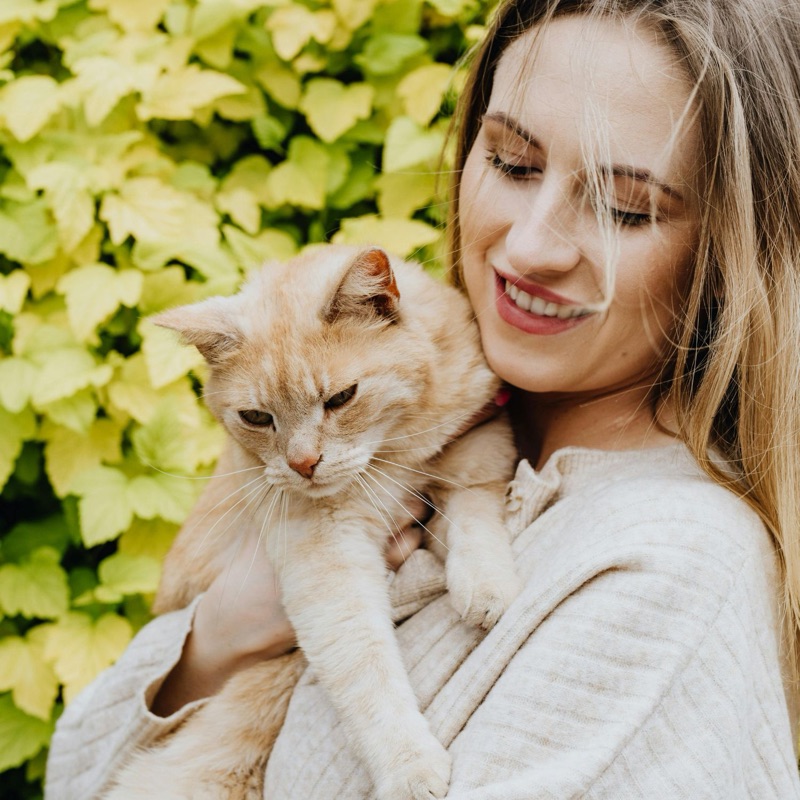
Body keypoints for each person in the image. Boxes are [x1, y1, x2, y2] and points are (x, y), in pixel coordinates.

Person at [46, 0, 800, 796]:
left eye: (625, 207)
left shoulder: (666, 568)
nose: (532, 245)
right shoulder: (415, 433)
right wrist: (216, 639)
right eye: (512, 162)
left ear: (731, 255)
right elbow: (76, 771)